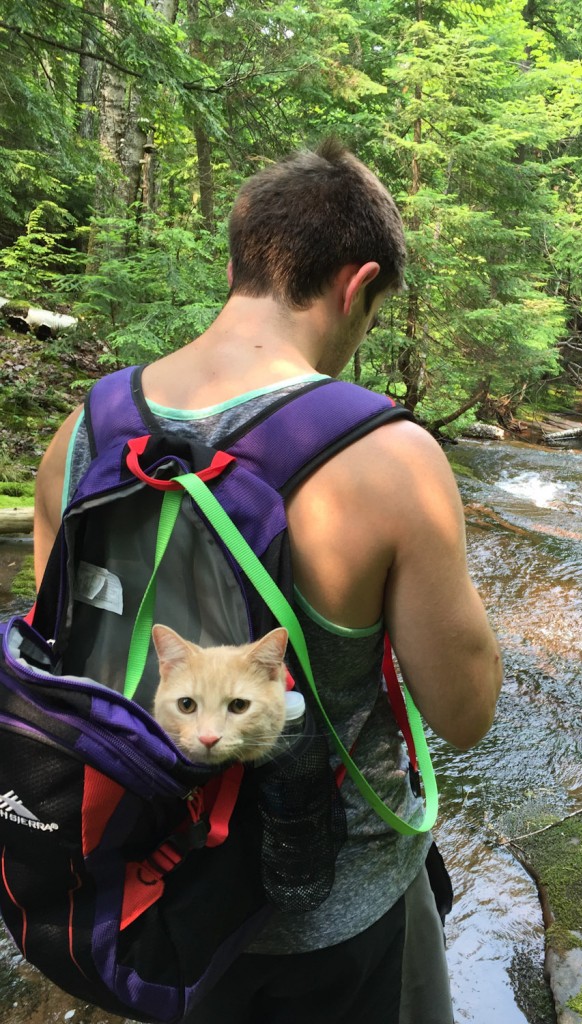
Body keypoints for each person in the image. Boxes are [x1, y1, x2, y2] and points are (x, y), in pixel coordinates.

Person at [33, 139, 503, 1024]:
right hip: (331, 915)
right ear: (357, 286)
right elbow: (465, 715)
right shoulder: (388, 456)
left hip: (149, 895)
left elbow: (74, 676)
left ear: (236, 262)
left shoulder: (84, 432)